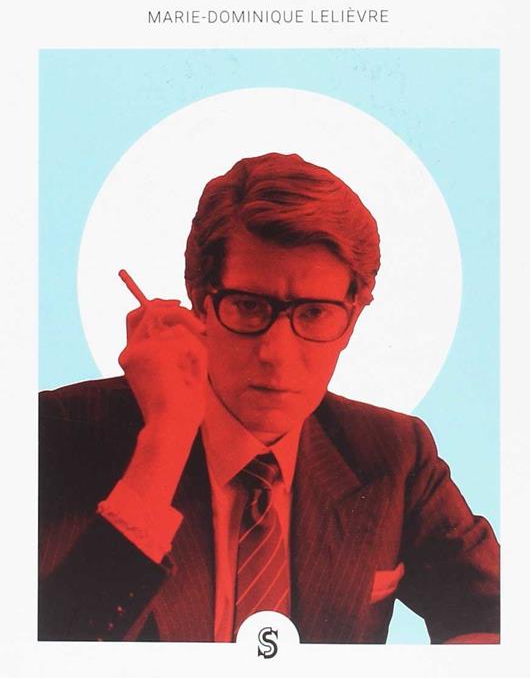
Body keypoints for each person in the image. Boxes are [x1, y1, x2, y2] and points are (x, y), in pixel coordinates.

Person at [38, 152, 500, 644]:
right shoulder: (58, 432)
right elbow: (46, 649)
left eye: (315, 313)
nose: (276, 354)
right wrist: (165, 442)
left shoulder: (395, 454)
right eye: (248, 306)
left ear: (353, 319)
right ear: (200, 300)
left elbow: (498, 615)